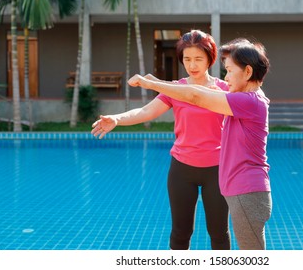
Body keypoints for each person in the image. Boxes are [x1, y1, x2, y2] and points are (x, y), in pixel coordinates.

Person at [127, 38, 272, 250]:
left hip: (247, 194)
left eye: (230, 71)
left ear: (248, 72)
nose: (226, 77)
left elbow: (195, 95)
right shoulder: (244, 99)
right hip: (243, 191)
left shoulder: (249, 101)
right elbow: (198, 93)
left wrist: (151, 83)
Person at [91, 30, 230, 250]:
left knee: (219, 233)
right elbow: (146, 111)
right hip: (182, 170)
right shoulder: (174, 88)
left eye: (198, 59)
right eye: (187, 59)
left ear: (210, 59)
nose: (192, 65)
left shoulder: (224, 89)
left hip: (217, 169)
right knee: (181, 233)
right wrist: (117, 119)